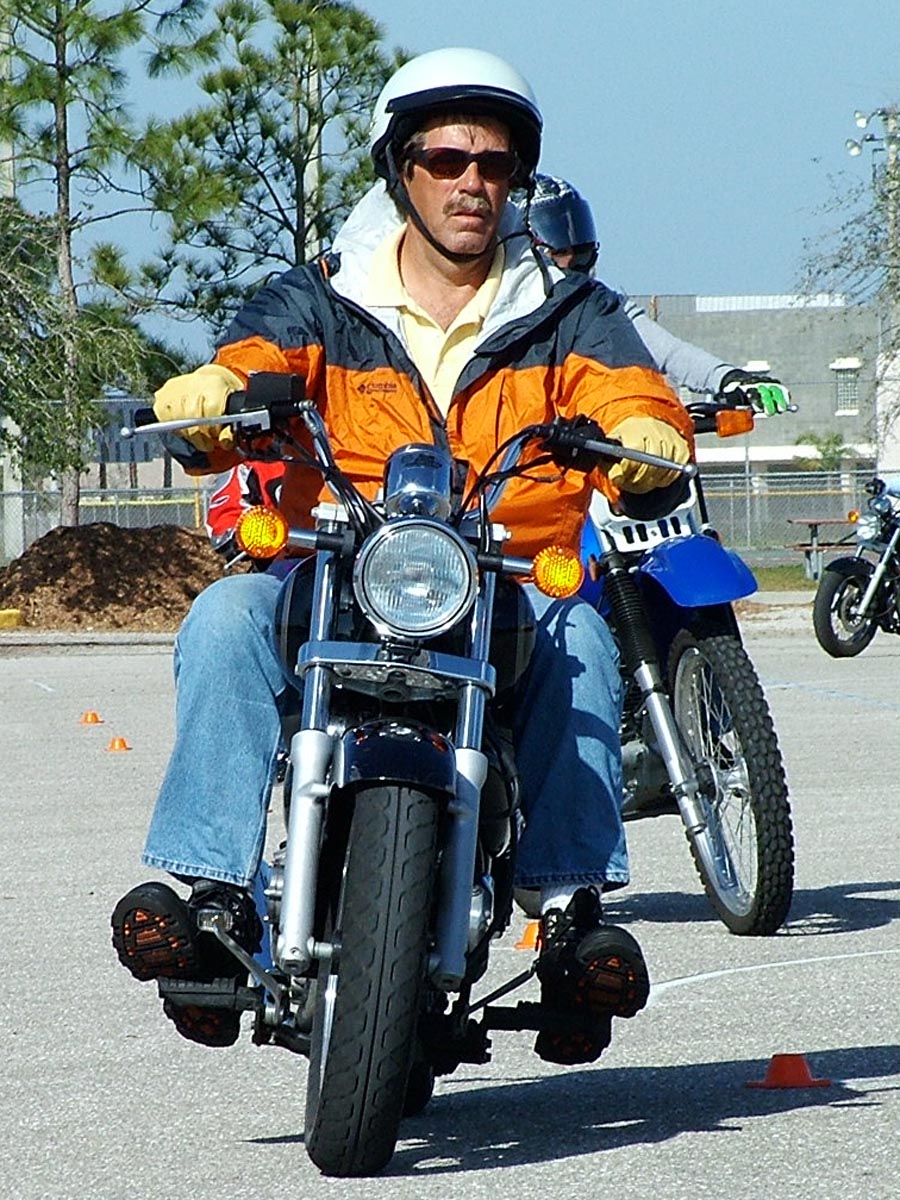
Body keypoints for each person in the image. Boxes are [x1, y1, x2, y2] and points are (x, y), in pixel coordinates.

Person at [110, 47, 696, 1067]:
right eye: (446, 159)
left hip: (509, 579)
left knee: (582, 640)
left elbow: (629, 392)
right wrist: (214, 397)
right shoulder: (322, 298)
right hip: (343, 567)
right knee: (227, 614)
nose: (472, 183)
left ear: (516, 180)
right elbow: (253, 364)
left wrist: (648, 435)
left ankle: (570, 916)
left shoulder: (569, 310)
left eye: (495, 165)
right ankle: (211, 896)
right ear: (399, 169)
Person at [521, 174, 793, 413]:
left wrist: (730, 378)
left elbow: (670, 354)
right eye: (558, 252)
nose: (571, 262)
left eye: (579, 250)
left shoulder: (600, 306)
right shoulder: (501, 312)